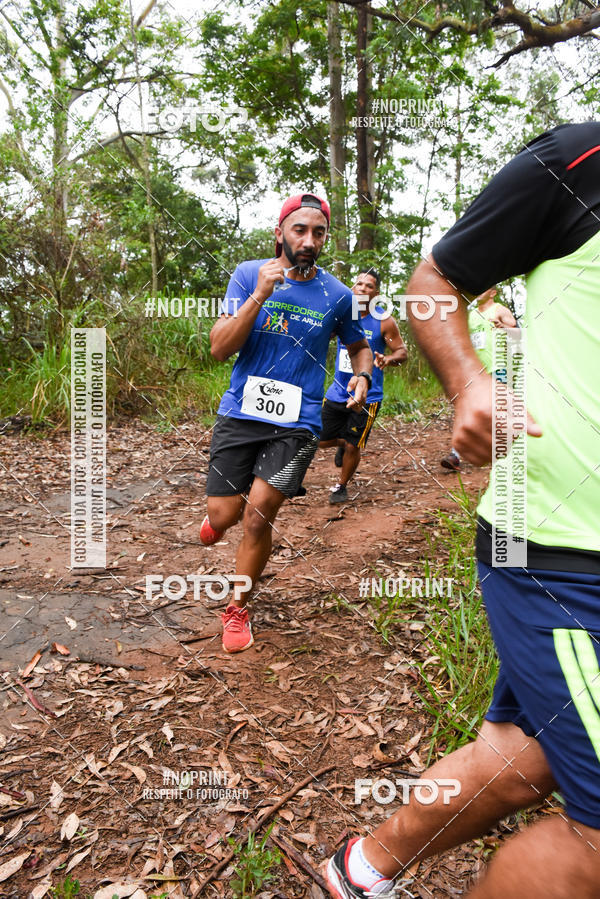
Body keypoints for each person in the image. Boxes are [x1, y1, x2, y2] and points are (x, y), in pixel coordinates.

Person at [326, 121, 600, 898]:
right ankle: (344, 483)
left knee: (522, 756)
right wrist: (469, 384)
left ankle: (358, 871)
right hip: (558, 546)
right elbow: (430, 286)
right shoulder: (577, 163)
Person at [200, 193, 372, 652]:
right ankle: (217, 518)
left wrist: (362, 373)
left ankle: (237, 608)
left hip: (298, 422)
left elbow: (358, 345)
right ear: (280, 233)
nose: (309, 240)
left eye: (319, 232)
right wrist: (259, 293)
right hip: (240, 412)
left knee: (257, 515)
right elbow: (219, 348)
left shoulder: (339, 296)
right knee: (225, 513)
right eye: (300, 229)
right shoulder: (247, 274)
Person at [320, 269, 407, 503]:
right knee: (318, 439)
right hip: (338, 390)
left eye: (368, 286)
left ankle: (340, 486)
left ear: (376, 293)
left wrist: (388, 360)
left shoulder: (384, 321)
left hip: (369, 396)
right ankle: (341, 440)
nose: (362, 288)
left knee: (353, 445)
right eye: (358, 284)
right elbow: (322, 335)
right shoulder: (343, 316)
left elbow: (401, 352)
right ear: (352, 288)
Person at [441, 287, 517, 471]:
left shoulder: (500, 310)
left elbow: (516, 332)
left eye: (484, 288)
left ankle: (507, 453)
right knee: (467, 409)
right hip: (474, 371)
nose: (479, 291)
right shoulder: (471, 314)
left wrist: (503, 327)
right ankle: (455, 455)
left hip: (498, 368)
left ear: (493, 292)